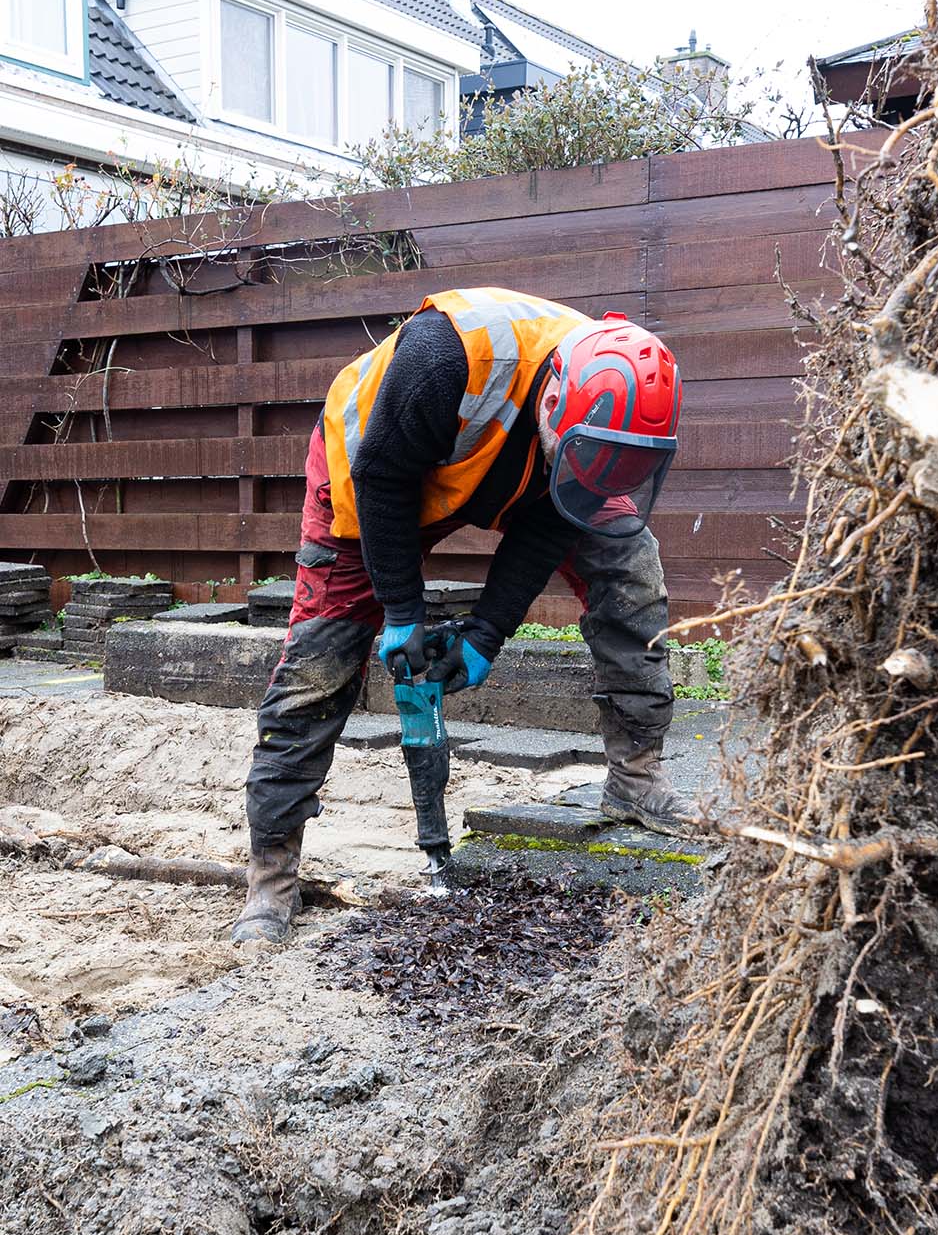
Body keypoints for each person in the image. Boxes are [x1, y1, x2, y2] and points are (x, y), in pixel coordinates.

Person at [231, 287, 685, 944]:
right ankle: (271, 877)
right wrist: (403, 615)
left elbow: (548, 528)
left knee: (628, 567)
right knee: (317, 664)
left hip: (517, 463)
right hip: (371, 471)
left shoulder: (609, 404)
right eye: (593, 462)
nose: (604, 475)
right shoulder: (444, 360)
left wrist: (485, 636)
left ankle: (637, 778)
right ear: (556, 405)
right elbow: (383, 479)